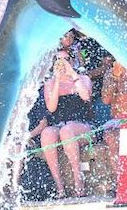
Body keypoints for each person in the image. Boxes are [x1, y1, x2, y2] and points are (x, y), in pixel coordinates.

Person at [40, 50, 93, 198]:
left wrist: (71, 73)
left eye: (66, 60)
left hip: (82, 126)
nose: (62, 64)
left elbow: (86, 96)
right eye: (59, 61)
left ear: (72, 61)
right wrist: (57, 80)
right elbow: (51, 108)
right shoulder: (50, 84)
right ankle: (59, 187)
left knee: (66, 131)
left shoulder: (83, 79)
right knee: (47, 134)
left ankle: (78, 182)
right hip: (59, 125)